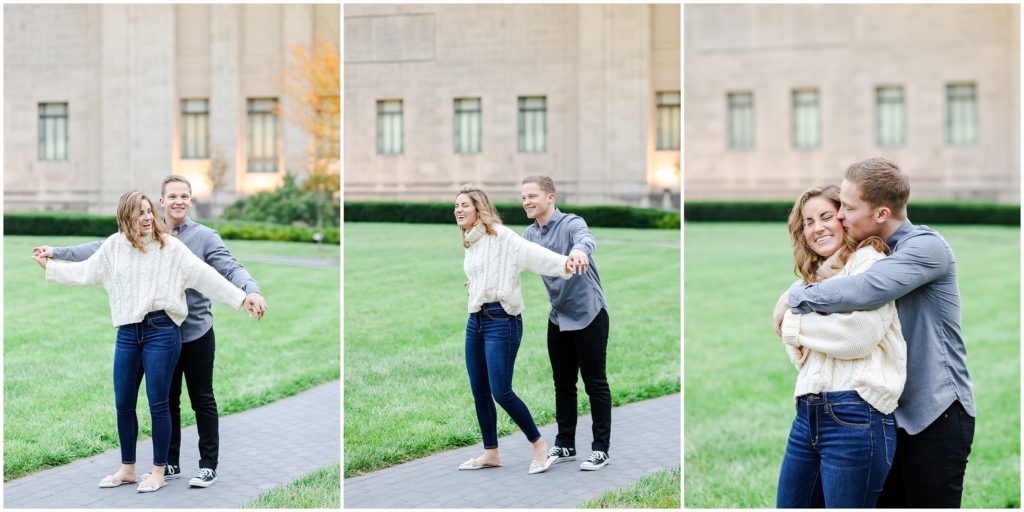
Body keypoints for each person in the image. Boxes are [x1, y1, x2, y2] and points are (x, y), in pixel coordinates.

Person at [33, 175, 267, 488]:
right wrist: (54, 262)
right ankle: (147, 467)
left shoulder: (186, 242)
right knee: (144, 401)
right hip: (132, 332)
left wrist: (245, 295)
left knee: (189, 399)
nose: (146, 217)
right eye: (140, 212)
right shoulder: (118, 244)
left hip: (181, 331)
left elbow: (214, 276)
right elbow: (91, 262)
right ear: (160, 203)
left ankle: (188, 467)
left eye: (184, 196)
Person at [775, 158, 976, 508]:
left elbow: (862, 291)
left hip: (935, 410)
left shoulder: (924, 248)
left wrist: (793, 298)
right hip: (887, 412)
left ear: (881, 213)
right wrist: (798, 287)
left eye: (847, 208)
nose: (839, 217)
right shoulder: (863, 256)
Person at [773, 184, 906, 508]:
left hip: (857, 414)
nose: (817, 227)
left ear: (845, 218)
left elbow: (857, 336)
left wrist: (793, 323)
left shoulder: (870, 262)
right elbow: (803, 356)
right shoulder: (814, 278)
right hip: (808, 414)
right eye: (808, 221)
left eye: (826, 216)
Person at [455, 184, 574, 475]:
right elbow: (486, 272)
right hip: (477, 321)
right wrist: (477, 284)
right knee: (479, 391)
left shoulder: (502, 235)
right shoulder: (472, 239)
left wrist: (566, 263)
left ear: (479, 208)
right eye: (456, 206)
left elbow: (534, 254)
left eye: (464, 205)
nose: (458, 210)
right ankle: (490, 453)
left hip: (502, 321)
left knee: (501, 391)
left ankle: (540, 447)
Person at [520, 176, 612, 471]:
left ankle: (601, 449)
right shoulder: (529, 235)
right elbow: (511, 261)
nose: (527, 202)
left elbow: (585, 239)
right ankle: (566, 443)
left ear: (550, 197)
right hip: (558, 317)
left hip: (589, 314)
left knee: (595, 383)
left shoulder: (571, 223)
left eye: (532, 196)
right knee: (563, 384)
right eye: (524, 198)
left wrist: (579, 251)